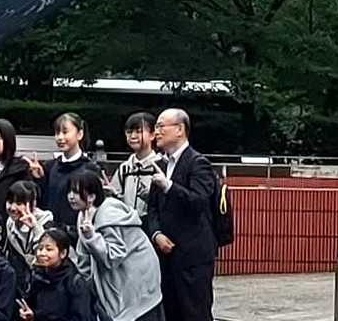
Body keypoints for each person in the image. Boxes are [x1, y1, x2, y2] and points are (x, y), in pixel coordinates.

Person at [147, 110, 215, 321]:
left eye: (161, 126)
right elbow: (152, 207)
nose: (156, 132)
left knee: (195, 313)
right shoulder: (161, 164)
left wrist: (169, 186)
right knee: (169, 313)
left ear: (179, 129)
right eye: (156, 127)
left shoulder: (198, 163)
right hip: (165, 256)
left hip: (192, 257)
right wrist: (156, 233)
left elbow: (199, 202)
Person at [67, 170, 161, 321]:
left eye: (77, 192)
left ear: (91, 196)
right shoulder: (84, 215)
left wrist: (92, 237)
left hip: (136, 278)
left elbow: (113, 257)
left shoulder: (108, 215)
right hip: (116, 280)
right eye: (70, 191)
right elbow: (84, 254)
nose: (71, 196)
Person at [31, 115, 93, 231]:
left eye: (65, 132)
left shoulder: (89, 169)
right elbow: (42, 201)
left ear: (80, 134)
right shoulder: (49, 167)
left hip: (79, 232)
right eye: (57, 133)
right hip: (50, 232)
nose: (60, 137)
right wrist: (39, 179)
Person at [18, 228, 96, 321]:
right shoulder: (37, 276)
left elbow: (82, 317)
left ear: (63, 253)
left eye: (49, 249)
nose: (42, 253)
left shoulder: (75, 282)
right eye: (40, 248)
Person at [108, 115, 161, 230]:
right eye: (129, 132)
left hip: (153, 229)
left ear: (152, 135)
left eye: (138, 131)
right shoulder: (124, 169)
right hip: (126, 228)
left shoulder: (160, 167)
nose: (133, 136)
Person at [0, 183, 50, 280]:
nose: (12, 208)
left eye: (19, 203)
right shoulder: (10, 223)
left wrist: (35, 227)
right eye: (10, 202)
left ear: (32, 204)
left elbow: (47, 255)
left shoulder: (47, 222)